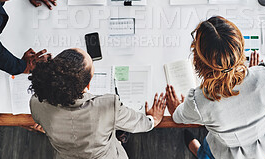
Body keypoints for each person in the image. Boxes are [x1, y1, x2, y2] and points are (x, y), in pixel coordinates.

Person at [165, 16, 265, 159]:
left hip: (227, 154)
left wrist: (176, 110)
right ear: (239, 50)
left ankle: (199, 152)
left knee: (207, 153)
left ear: (198, 61)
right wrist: (251, 75)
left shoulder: (199, 101)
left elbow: (178, 118)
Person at [29, 48, 166, 158]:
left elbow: (39, 121)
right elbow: (138, 124)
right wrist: (153, 120)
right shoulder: (108, 106)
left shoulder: (36, 103)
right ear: (88, 85)